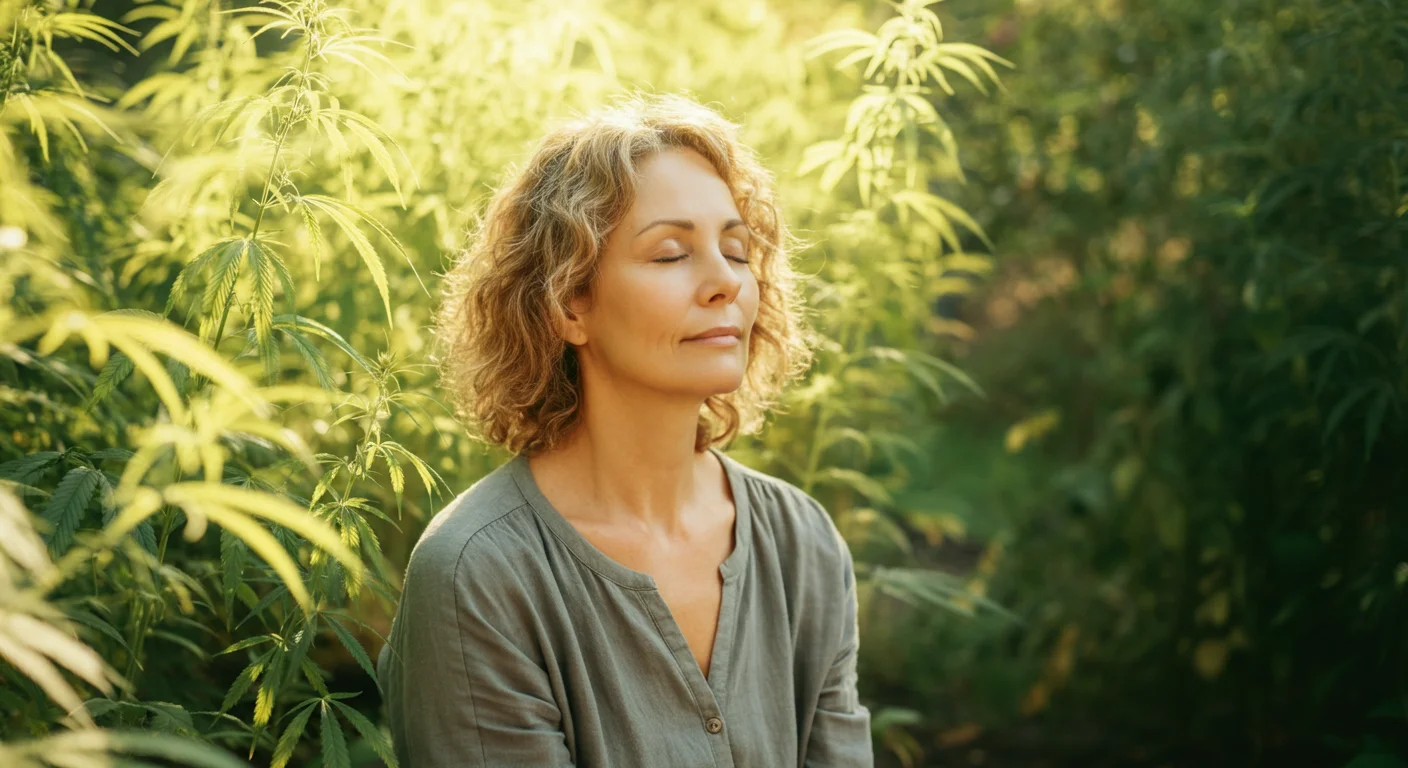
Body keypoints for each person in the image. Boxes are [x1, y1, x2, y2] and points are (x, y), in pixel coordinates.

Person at [375, 91, 873, 768]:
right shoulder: (479, 576)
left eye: (736, 249)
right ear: (569, 302)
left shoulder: (803, 542)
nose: (725, 281)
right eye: (671, 255)